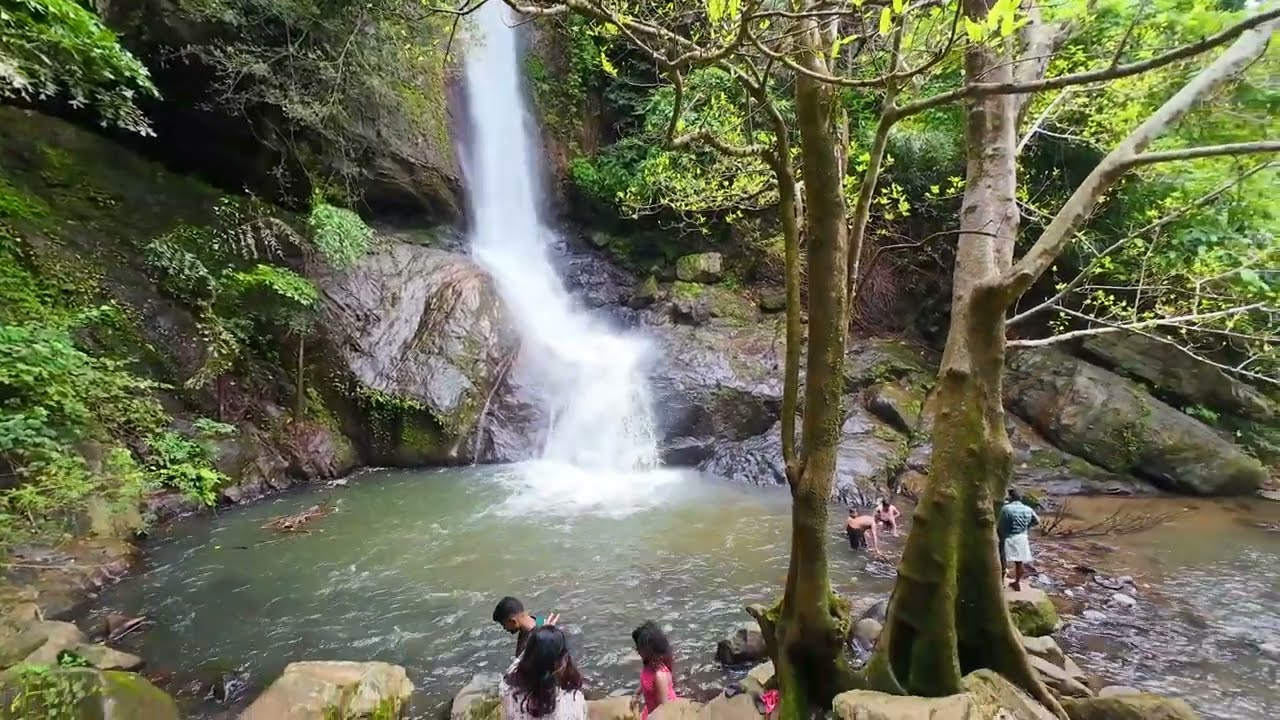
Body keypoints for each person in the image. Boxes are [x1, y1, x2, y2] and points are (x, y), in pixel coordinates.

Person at [500, 625, 587, 720]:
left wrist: (540, 636)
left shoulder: (508, 688)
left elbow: (518, 662)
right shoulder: (573, 701)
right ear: (563, 661)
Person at [632, 621, 678, 719]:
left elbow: (663, 709)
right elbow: (645, 682)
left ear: (649, 651)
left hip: (659, 712)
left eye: (638, 648)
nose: (636, 650)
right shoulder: (648, 663)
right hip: (650, 709)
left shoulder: (659, 676)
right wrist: (636, 694)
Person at [997, 489, 1040, 591]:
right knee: (1019, 562)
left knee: (1002, 560)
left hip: (1008, 536)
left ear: (1010, 497)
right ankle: (1017, 583)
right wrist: (1027, 527)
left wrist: (1000, 534)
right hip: (1022, 537)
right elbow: (1037, 521)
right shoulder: (1028, 509)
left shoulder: (1006, 508)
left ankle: (1001, 582)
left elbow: (1001, 524)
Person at [493, 596, 561, 657]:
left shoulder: (533, 641)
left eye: (504, 625)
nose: (505, 628)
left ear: (513, 621)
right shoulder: (538, 619)